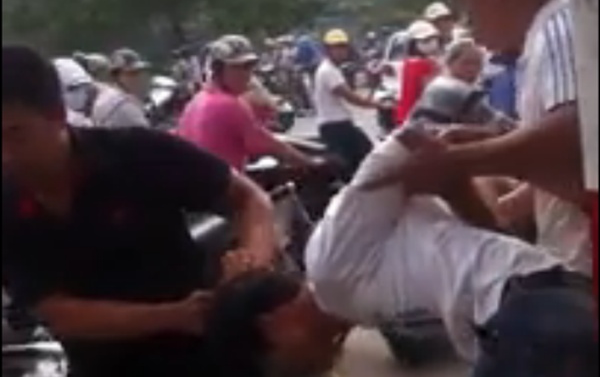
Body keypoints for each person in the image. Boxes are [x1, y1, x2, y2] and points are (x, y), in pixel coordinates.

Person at [202, 132, 597, 377]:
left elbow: (411, 143)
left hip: (526, 312)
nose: (296, 374)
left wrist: (464, 184)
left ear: (274, 326)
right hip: (535, 303)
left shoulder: (330, 262)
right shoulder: (351, 302)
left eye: (279, 371)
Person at [2, 45, 278, 377]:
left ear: (57, 115)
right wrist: (176, 315)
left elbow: (249, 198)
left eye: (14, 134)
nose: (5, 155)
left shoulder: (136, 153)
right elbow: (57, 313)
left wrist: (251, 266)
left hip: (204, 357)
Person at [373, 0, 592, 275]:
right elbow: (567, 169)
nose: (465, 18)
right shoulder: (544, 37)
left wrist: (458, 161)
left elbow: (573, 134)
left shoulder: (557, 29)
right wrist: (493, 151)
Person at [177, 35, 314, 171]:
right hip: (220, 183)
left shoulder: (196, 102)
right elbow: (271, 146)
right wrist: (311, 164)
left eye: (250, 66)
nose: (247, 74)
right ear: (218, 69)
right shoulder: (228, 104)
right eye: (239, 67)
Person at [313, 29, 382, 176]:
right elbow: (349, 96)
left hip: (341, 124)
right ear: (327, 49)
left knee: (362, 162)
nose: (340, 51)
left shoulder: (333, 69)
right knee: (362, 163)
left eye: (343, 46)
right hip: (335, 127)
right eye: (336, 47)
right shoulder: (328, 71)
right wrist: (377, 105)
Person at [395, 20, 441, 125]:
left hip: (407, 115)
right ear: (413, 43)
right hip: (419, 117)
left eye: (433, 38)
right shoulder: (422, 64)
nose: (431, 43)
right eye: (425, 40)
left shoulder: (409, 62)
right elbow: (430, 91)